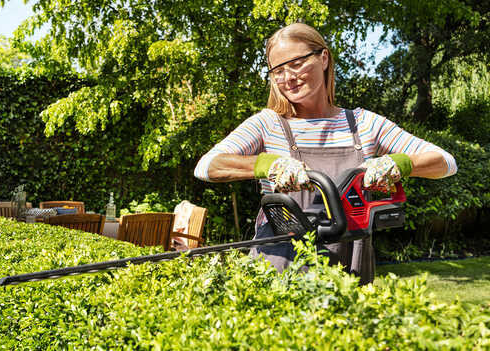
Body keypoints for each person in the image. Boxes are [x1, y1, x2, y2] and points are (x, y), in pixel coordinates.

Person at [193, 23, 457, 285]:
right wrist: (269, 165)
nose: (288, 77)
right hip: (278, 265)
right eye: (278, 71)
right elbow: (207, 166)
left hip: (349, 263)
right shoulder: (268, 124)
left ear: (324, 58)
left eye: (296, 63)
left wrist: (396, 163)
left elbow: (445, 162)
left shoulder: (363, 124)